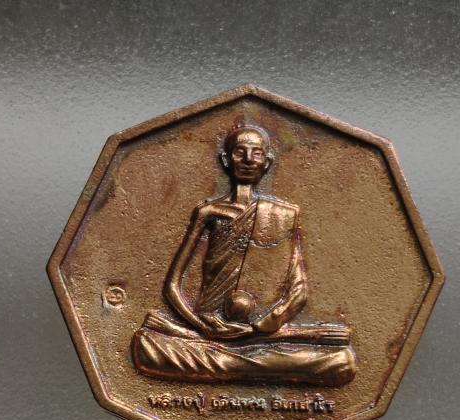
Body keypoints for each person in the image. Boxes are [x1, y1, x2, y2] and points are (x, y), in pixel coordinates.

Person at [131, 125, 356, 386]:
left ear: (266, 163)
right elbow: (172, 287)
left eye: (256, 153)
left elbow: (299, 290)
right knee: (147, 345)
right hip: (207, 332)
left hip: (260, 335)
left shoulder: (284, 215)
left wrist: (264, 324)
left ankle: (233, 361)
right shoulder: (209, 213)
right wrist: (203, 326)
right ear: (226, 160)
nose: (248, 160)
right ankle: (249, 362)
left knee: (341, 360)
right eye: (240, 152)